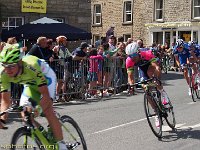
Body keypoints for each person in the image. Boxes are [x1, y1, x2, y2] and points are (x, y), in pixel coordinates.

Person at [0, 44, 68, 149]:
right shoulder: (3, 73)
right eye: (5, 65)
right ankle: (42, 136)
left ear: (19, 62)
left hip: (47, 78)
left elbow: (45, 96)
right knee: (25, 113)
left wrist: (38, 109)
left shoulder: (31, 66)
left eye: (11, 65)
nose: (8, 70)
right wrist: (2, 118)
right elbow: (5, 101)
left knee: (47, 110)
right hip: (30, 85)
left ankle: (61, 144)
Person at [126, 42, 170, 127]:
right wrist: (131, 85)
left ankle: (163, 93)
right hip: (142, 69)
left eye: (134, 55)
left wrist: (156, 77)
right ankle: (156, 112)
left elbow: (156, 67)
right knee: (145, 88)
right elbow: (130, 76)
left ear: (138, 52)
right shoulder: (129, 60)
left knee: (151, 74)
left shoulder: (146, 53)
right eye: (130, 56)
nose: (133, 57)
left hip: (152, 65)